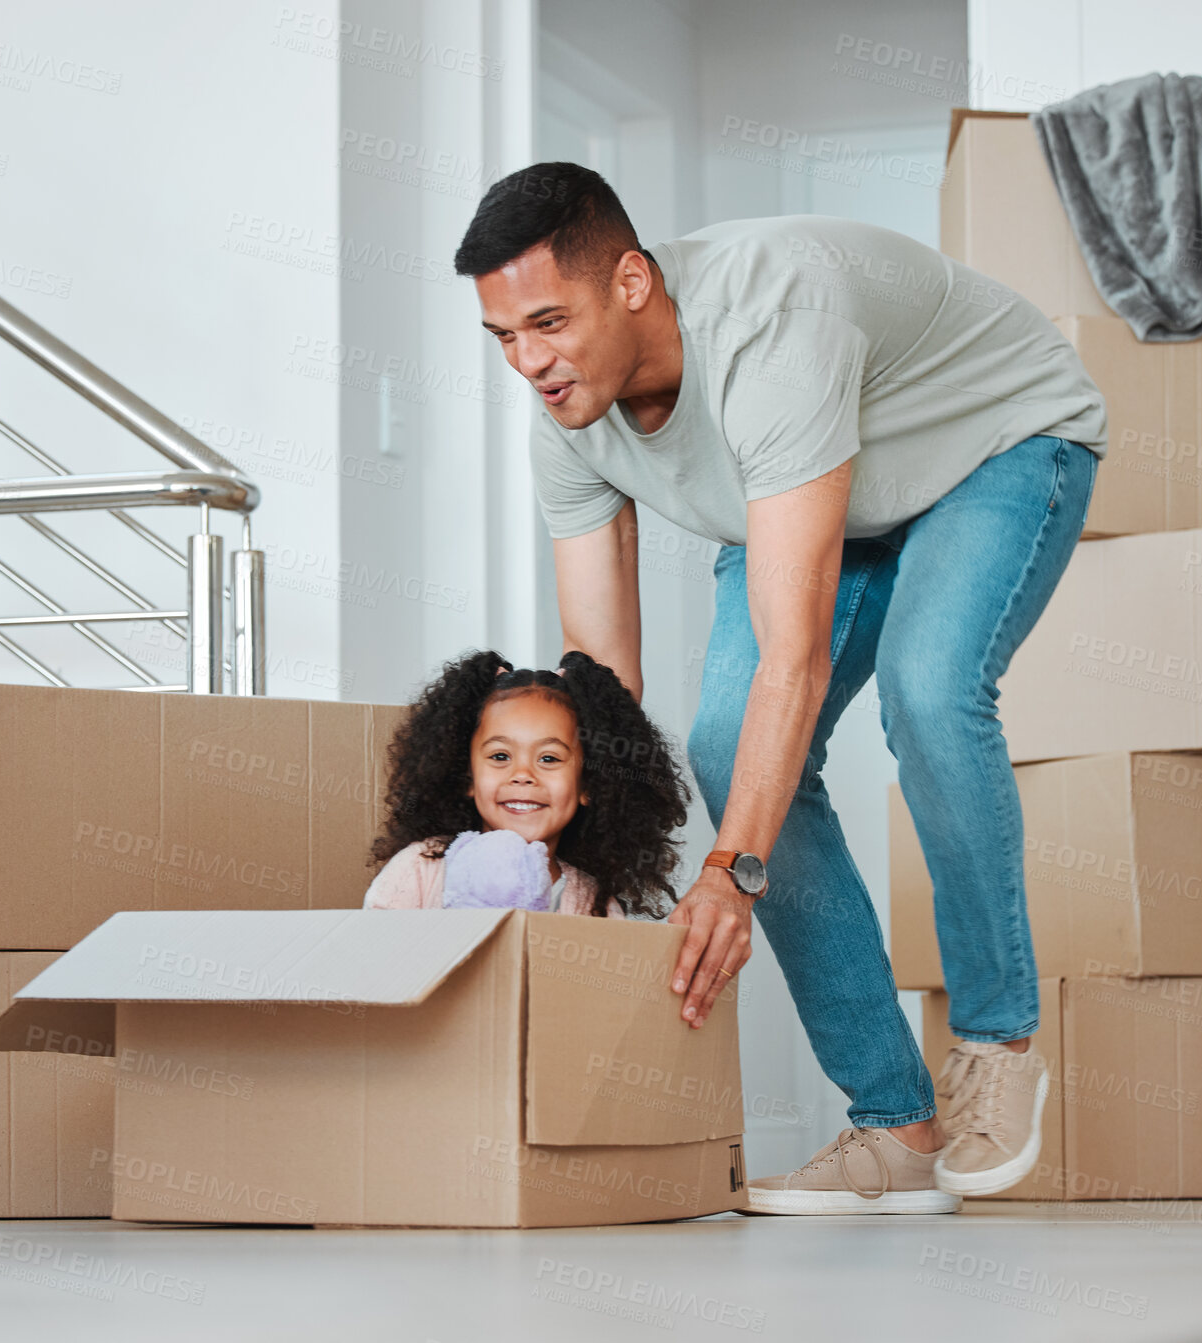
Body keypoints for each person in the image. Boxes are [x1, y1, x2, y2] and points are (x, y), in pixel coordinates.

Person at [452, 163, 1108, 1212]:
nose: (531, 363)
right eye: (503, 339)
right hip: (820, 496)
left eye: (547, 323)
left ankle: (996, 1043)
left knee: (929, 690)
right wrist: (577, 865)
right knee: (724, 746)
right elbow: (604, 686)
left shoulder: (770, 326)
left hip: (992, 443)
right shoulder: (565, 422)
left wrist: (732, 870)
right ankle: (894, 1122)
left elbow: (792, 657)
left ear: (629, 281)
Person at [365, 647, 690, 919]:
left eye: (548, 758)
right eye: (500, 756)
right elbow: (375, 966)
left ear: (587, 785)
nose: (522, 774)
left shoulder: (595, 907)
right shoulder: (421, 869)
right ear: (468, 777)